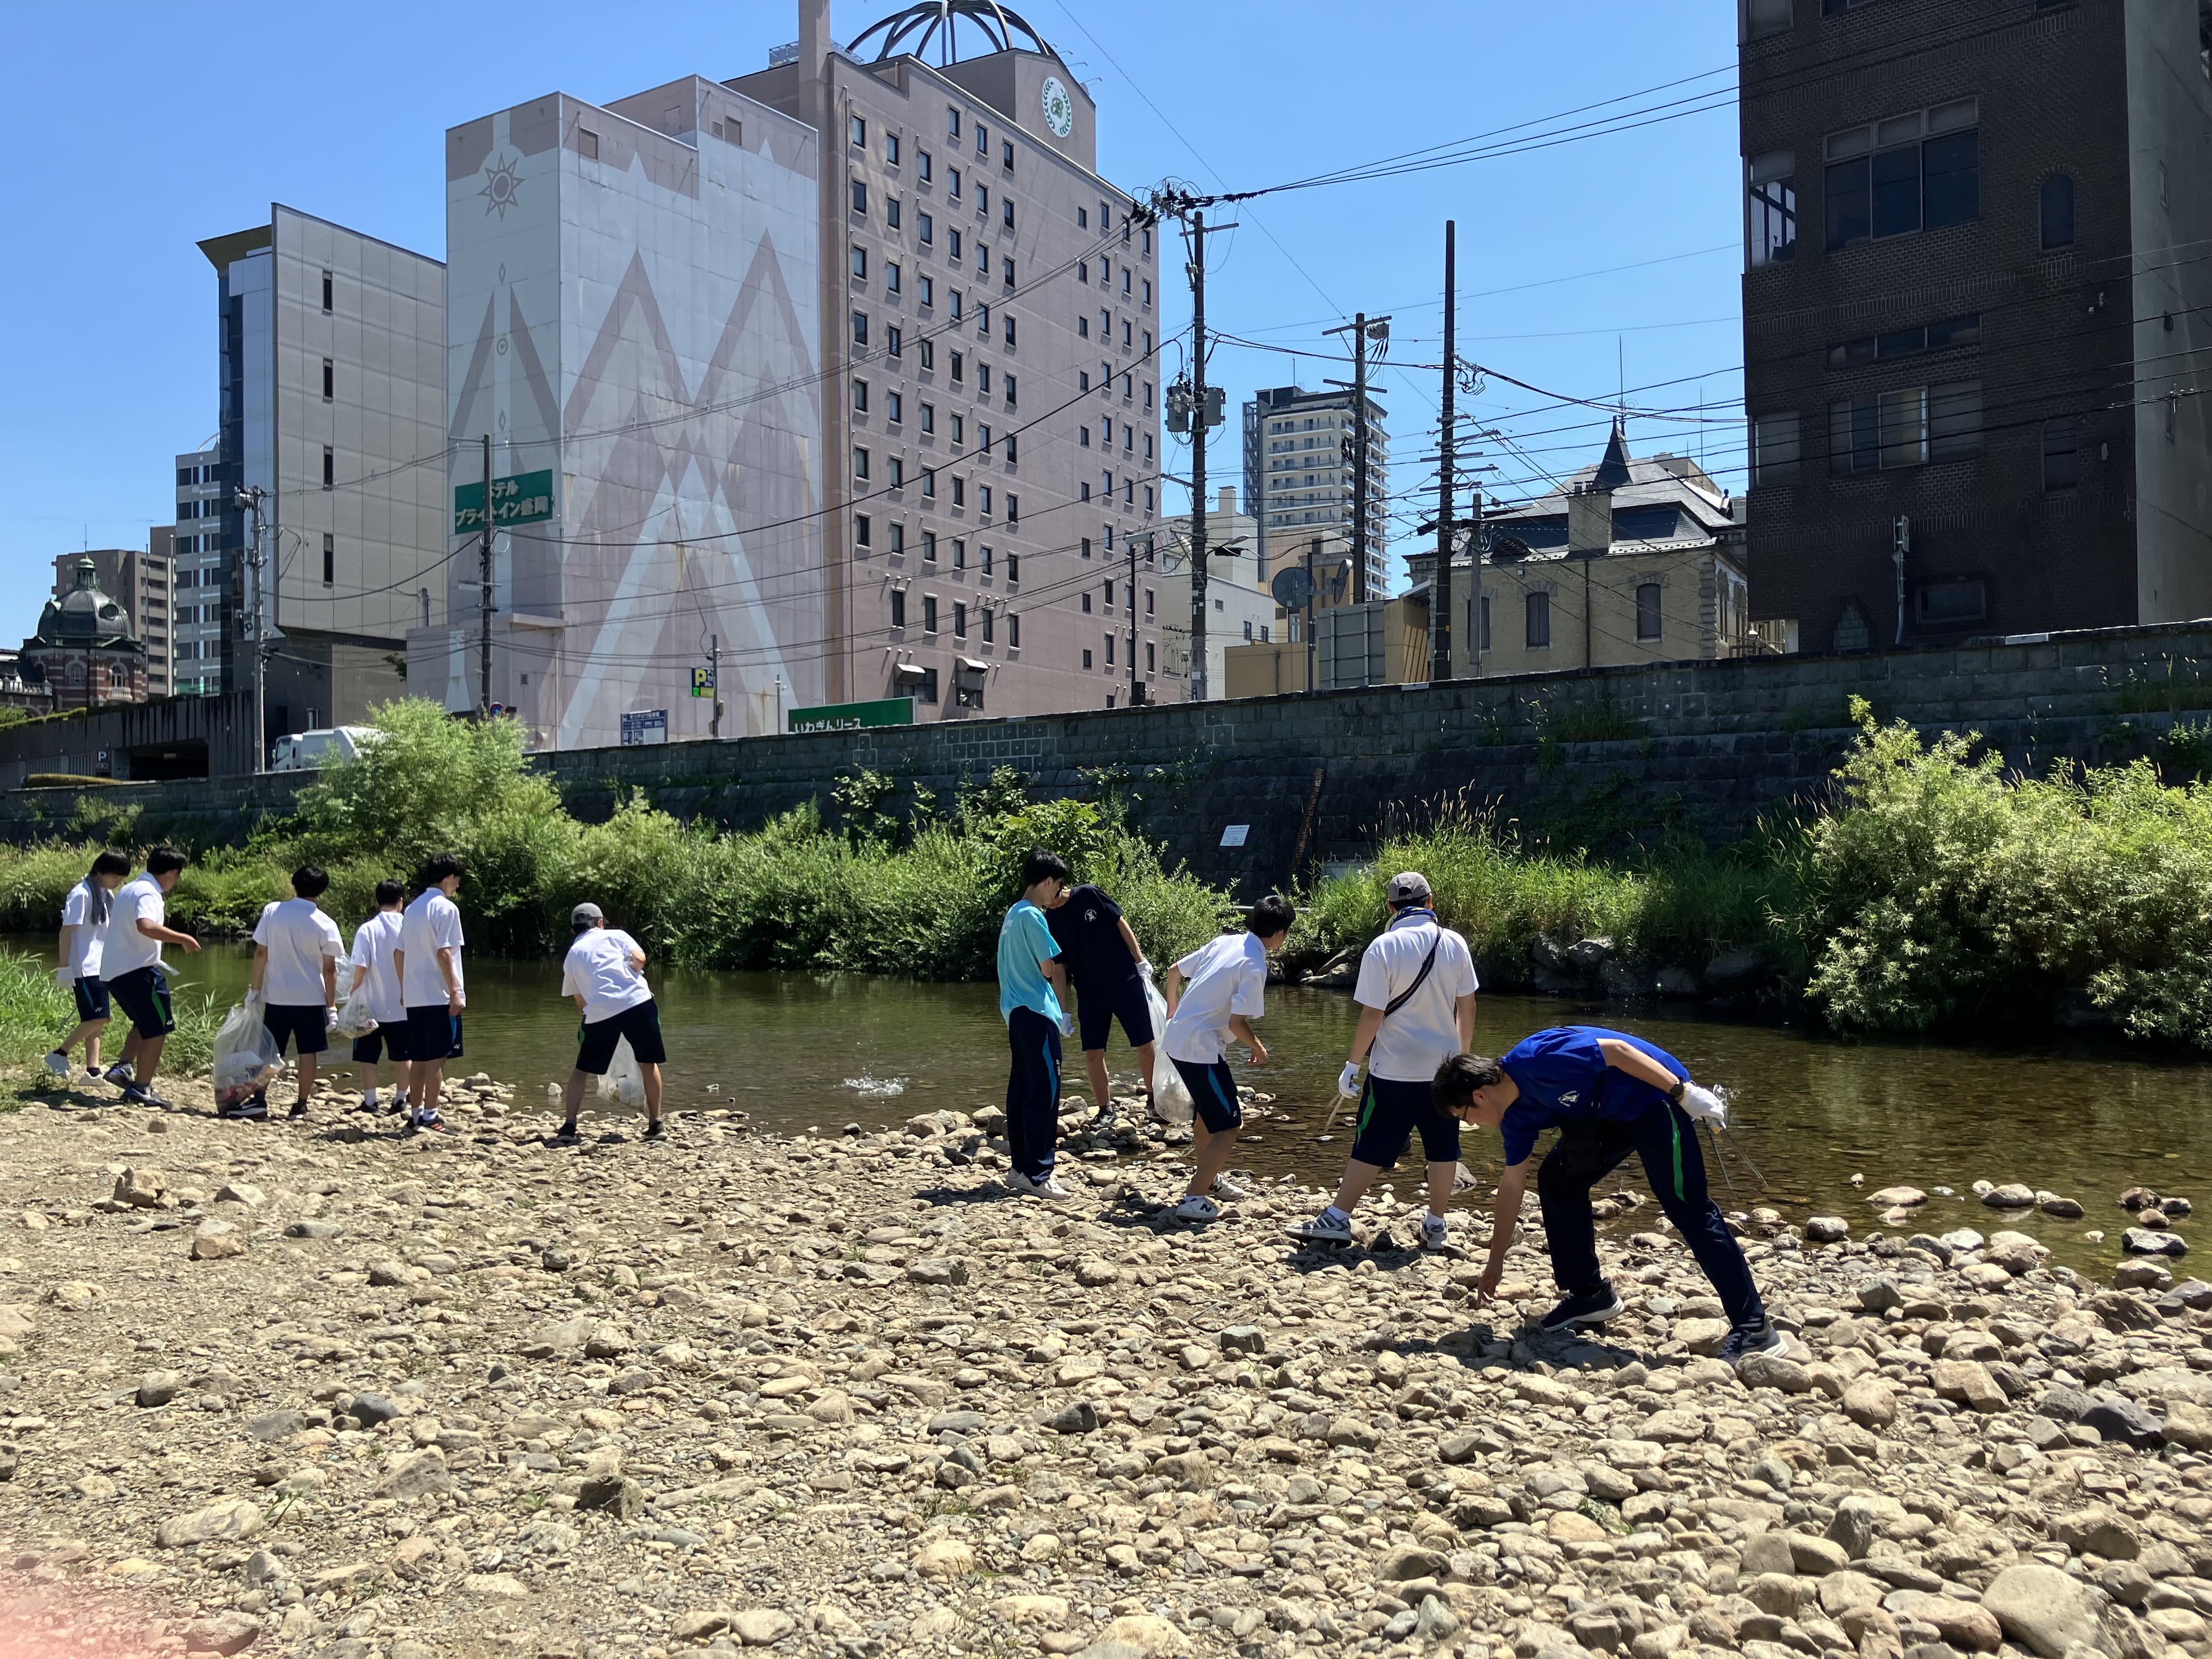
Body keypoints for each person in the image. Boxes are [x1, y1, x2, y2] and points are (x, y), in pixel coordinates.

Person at [1434, 1026, 1786, 1365]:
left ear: (1479, 1096)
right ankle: (1590, 1295)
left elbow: (1617, 1052)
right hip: (1607, 1115)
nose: (1470, 1125)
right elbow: (1512, 1187)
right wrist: (1494, 1264)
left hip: (1656, 1098)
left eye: (1464, 1117)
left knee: (1689, 1210)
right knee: (1558, 1179)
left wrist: (1683, 1094)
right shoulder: (1516, 1118)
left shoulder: (1537, 1059)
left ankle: (1754, 1327)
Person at [1289, 872, 1480, 1251]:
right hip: (1443, 1069)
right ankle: (1437, 1226)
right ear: (1430, 902)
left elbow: (1372, 1016)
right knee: (1444, 1147)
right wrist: (1461, 1061)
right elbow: (1468, 1007)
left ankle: (1338, 1217)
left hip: (1393, 1070)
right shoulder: (1455, 943)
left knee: (1370, 1143)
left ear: (1391, 908)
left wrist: (1352, 1065)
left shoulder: (1383, 947)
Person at [1159, 895, 1296, 1223]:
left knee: (1207, 1116)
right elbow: (1237, 1023)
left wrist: (1173, 1007)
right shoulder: (1255, 964)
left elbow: (1174, 970)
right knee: (1231, 1126)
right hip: (1199, 1050)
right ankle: (1194, 1197)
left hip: (1178, 1039)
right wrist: (1257, 1047)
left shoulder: (1226, 942)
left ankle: (1208, 1177)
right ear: (1279, 934)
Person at [552, 902, 667, 1144]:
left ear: (575, 930)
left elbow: (580, 1001)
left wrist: (595, 1019)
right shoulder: (616, 935)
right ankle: (656, 1124)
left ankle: (569, 1125)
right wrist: (632, 970)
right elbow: (640, 958)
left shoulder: (573, 955)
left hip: (601, 1012)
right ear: (601, 923)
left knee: (582, 1070)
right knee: (648, 1063)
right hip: (639, 1002)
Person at [97, 845, 201, 1109]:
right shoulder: (149, 893)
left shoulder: (130, 888)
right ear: (171, 873)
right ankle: (141, 1089)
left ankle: (123, 1068)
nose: (177, 881)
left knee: (144, 1022)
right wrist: (183, 939)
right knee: (158, 1028)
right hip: (138, 972)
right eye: (178, 875)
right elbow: (145, 925)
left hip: (115, 971)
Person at [997, 849, 1075, 1201]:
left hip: (1015, 1012)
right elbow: (1049, 967)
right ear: (1047, 881)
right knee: (1045, 1093)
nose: (1056, 892)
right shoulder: (1033, 916)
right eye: (1057, 885)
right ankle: (1040, 1174)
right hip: (1037, 1013)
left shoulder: (1013, 914)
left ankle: (1019, 1169)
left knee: (1022, 1091)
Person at [1045, 879, 1156, 1127]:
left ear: (1054, 882)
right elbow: (1059, 968)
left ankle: (1153, 1101)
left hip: (1125, 980)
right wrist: (1063, 1011)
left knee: (1145, 1044)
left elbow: (1120, 922)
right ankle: (1105, 1109)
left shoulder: (1088, 894)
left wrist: (1140, 960)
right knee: (1093, 1052)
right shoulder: (1048, 920)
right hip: (1089, 992)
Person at [393, 853, 466, 1135]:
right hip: (438, 995)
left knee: (420, 1056)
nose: (457, 887)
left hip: (414, 995)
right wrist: (455, 991)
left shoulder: (411, 909)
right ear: (448, 879)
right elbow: (444, 952)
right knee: (438, 1056)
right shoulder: (446, 909)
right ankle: (431, 1115)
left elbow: (399, 954)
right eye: (456, 881)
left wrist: (403, 988)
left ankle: (415, 1113)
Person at [44, 850, 131, 1083]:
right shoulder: (81, 894)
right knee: (99, 1017)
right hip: (83, 966)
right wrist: (64, 968)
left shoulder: (105, 894)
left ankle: (92, 1071)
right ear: (101, 871)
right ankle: (59, 1054)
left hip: (100, 965)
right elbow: (67, 932)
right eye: (116, 877)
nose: (118, 882)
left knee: (95, 1021)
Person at [346, 880, 410, 1115]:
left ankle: (371, 1102)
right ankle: (400, 1100)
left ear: (377, 901)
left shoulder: (367, 929)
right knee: (404, 1056)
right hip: (404, 1005)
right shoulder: (409, 926)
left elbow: (361, 967)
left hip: (371, 1006)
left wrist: (354, 991)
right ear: (401, 901)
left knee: (368, 1056)